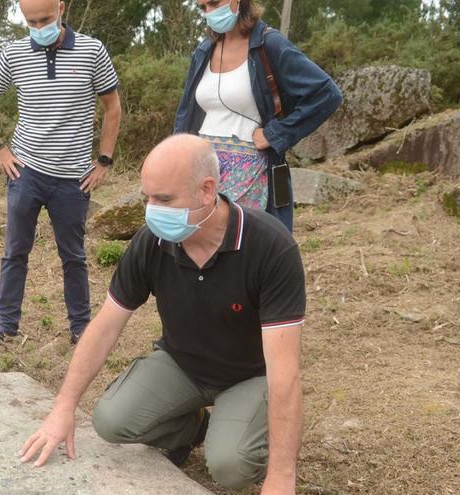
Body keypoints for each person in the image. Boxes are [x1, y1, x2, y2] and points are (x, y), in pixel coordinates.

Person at [20, 134, 306, 494]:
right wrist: (63, 407)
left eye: (165, 199)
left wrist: (281, 477)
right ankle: (194, 426)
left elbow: (285, 372)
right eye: (148, 198)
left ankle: (245, 428)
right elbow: (105, 326)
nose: (152, 210)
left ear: (207, 190)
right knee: (111, 421)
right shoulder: (152, 241)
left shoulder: (269, 247)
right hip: (183, 365)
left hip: (250, 376)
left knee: (230, 466)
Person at [0, 0, 122, 349]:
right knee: (15, 252)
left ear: (60, 8)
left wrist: (104, 160)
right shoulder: (13, 54)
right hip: (26, 172)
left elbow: (112, 106)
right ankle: (6, 327)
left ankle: (81, 330)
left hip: (73, 178)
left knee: (73, 256)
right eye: (30, 21)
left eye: (45, 19)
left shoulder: (91, 50)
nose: (39, 26)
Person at [174, 0, 342, 232]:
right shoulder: (204, 50)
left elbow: (326, 94)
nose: (209, 13)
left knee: (244, 253)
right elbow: (186, 114)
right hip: (204, 174)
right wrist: (176, 160)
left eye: (214, 3)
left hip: (252, 177)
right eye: (203, 8)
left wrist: (276, 134)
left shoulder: (269, 44)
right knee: (202, 251)